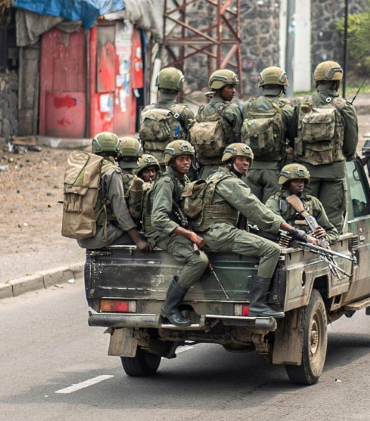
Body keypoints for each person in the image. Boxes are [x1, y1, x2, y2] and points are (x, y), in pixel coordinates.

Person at [187, 143, 310, 319]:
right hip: (220, 233)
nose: (245, 163)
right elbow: (257, 211)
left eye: (247, 160)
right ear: (229, 161)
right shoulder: (230, 182)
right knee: (271, 250)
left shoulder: (215, 177)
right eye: (241, 159)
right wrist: (295, 231)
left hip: (213, 231)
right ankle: (257, 304)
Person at [144, 140, 209, 326]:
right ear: (172, 161)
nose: (186, 162)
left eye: (188, 158)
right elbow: (159, 219)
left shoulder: (183, 179)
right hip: (160, 233)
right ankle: (170, 306)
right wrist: (190, 236)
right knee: (199, 260)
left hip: (174, 229)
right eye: (181, 159)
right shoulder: (166, 182)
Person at [293, 60, 359, 228]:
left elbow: (293, 134)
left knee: (304, 217)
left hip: (306, 172)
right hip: (334, 173)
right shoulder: (345, 107)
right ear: (337, 83)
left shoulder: (302, 104)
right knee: (332, 220)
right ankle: (333, 252)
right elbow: (351, 144)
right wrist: (345, 156)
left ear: (317, 81)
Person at [76, 131, 151, 252]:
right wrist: (138, 241)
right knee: (148, 239)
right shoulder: (112, 172)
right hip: (100, 236)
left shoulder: (85, 168)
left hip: (82, 234)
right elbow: (120, 211)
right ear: (117, 151)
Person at [242, 66, 296, 203]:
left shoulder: (247, 107)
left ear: (262, 84)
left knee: (250, 213)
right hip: (275, 169)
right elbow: (294, 139)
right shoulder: (287, 110)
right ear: (282, 85)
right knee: (271, 213)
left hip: (249, 168)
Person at [266, 163, 340, 244]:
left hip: (312, 247)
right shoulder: (275, 201)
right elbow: (274, 225)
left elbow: (332, 232)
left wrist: (324, 237)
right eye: (296, 181)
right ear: (286, 183)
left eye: (302, 181)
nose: (300, 184)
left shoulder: (313, 202)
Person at [192, 68, 244, 178]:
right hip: (226, 169)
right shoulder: (232, 110)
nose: (234, 90)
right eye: (230, 87)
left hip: (204, 169)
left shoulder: (202, 110)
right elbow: (240, 139)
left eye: (234, 87)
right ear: (219, 88)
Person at [139, 67, 196, 163]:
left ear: (158, 84)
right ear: (179, 85)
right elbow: (193, 138)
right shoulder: (184, 112)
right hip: (174, 163)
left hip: (149, 163)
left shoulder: (146, 110)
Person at [126, 153, 160, 223]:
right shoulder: (133, 187)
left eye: (153, 171)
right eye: (146, 172)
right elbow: (135, 213)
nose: (151, 174)